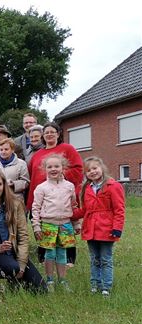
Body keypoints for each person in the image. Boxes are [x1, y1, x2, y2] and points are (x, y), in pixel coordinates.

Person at [0, 172, 46, 292]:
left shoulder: (15, 204)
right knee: (12, 268)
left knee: (41, 289)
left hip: (14, 252)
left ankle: (14, 278)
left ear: (4, 186)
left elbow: (23, 236)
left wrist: (22, 264)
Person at [73, 157, 125, 296]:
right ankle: (95, 284)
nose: (92, 172)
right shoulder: (86, 188)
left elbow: (119, 209)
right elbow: (85, 210)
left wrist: (117, 228)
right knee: (95, 259)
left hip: (107, 229)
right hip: (91, 229)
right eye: (88, 170)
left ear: (102, 168)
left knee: (106, 259)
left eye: (95, 168)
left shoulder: (113, 186)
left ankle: (106, 287)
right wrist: (70, 214)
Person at [32, 154, 79, 291]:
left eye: (57, 166)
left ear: (63, 168)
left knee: (62, 253)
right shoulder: (41, 188)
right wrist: (36, 226)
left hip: (65, 224)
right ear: (44, 169)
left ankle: (63, 280)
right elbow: (35, 207)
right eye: (50, 166)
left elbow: (73, 206)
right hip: (48, 224)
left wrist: (76, 224)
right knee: (50, 253)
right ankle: (50, 280)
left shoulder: (69, 186)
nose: (53, 169)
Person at [27, 122, 83, 211]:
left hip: (61, 198)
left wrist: (60, 175)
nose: (49, 134)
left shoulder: (68, 149)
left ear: (58, 134)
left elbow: (79, 169)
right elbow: (31, 177)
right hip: (41, 198)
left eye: (52, 132)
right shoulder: (36, 155)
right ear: (43, 136)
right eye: (46, 133)